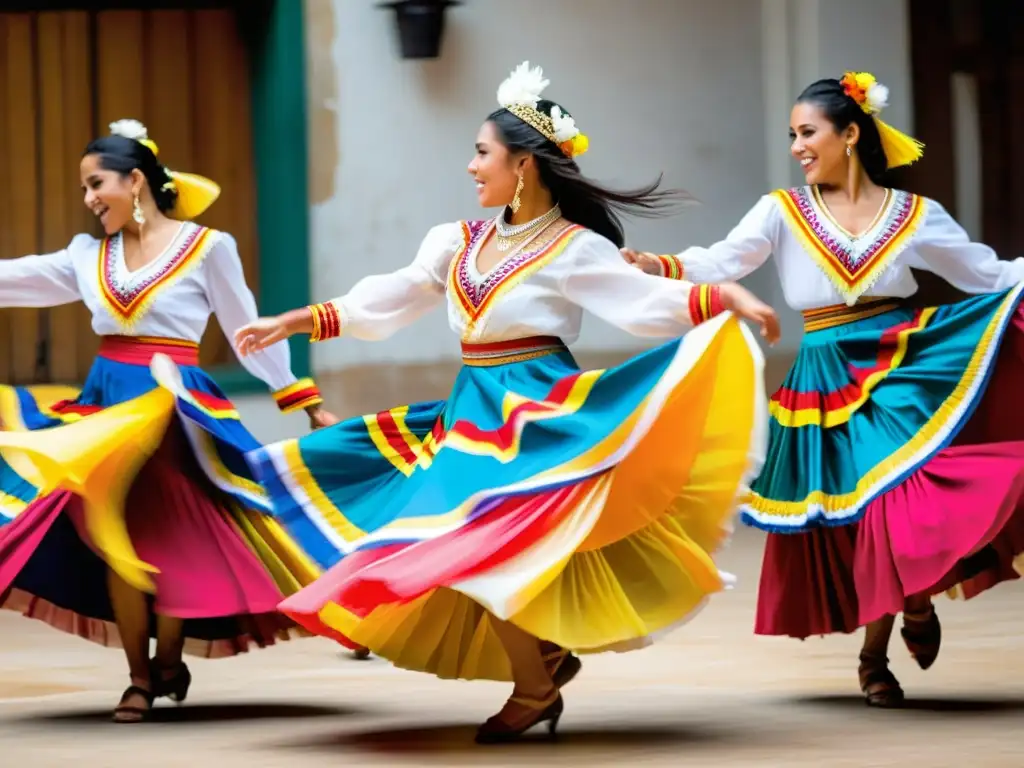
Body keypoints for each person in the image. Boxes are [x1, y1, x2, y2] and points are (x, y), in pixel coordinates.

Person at [229, 61, 780, 743]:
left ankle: (535, 683)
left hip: (538, 412)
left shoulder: (574, 249)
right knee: (450, 534)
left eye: (482, 152)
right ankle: (542, 665)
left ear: (523, 166)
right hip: (472, 411)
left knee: (485, 543)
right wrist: (298, 321)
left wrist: (726, 297)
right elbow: (392, 296)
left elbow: (645, 305)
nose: (470, 166)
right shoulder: (455, 242)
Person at [622, 71, 1024, 707]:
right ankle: (896, 627)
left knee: (898, 501)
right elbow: (724, 260)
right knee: (864, 511)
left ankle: (886, 639)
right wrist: (658, 264)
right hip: (825, 376)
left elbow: (989, 276)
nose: (797, 146)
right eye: (793, 135)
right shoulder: (781, 210)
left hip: (900, 366)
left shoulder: (916, 215)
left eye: (808, 132)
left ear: (852, 133)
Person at [0, 119, 335, 723]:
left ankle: (168, 659)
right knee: (114, 537)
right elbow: (12, 277)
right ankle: (138, 675)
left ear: (135, 181)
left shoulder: (209, 248)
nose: (88, 199)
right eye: (83, 188)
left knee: (170, 538)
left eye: (95, 183)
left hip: (177, 406)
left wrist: (302, 399)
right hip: (108, 409)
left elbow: (246, 333)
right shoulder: (86, 257)